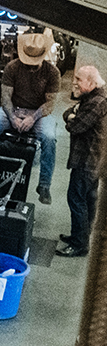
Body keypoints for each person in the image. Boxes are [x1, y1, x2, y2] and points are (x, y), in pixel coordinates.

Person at [0, 29, 61, 204]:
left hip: (38, 113)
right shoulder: (12, 67)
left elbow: (50, 103)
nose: (31, 68)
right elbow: (5, 97)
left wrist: (33, 118)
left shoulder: (52, 72)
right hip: (14, 108)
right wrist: (12, 117)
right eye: (28, 63)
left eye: (34, 64)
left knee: (49, 138)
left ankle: (44, 184)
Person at [61, 64, 107, 257]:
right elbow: (68, 113)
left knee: (76, 198)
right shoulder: (93, 99)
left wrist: (73, 115)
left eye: (79, 79)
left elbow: (76, 126)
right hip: (94, 160)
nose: (75, 82)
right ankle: (80, 236)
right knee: (88, 200)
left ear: (91, 82)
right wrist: (72, 114)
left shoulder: (95, 103)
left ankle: (80, 244)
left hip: (87, 160)